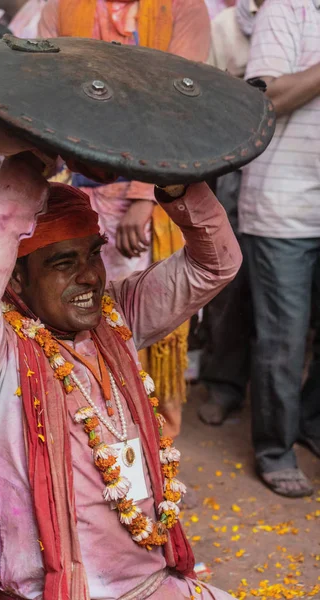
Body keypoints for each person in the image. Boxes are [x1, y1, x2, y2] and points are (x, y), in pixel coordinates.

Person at [0, 114, 242, 599]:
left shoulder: (116, 317)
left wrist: (172, 180)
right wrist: (34, 154)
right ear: (16, 281)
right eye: (62, 263)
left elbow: (216, 263)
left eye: (92, 255)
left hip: (152, 579)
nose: (89, 278)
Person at [39, 0, 211, 438]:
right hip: (69, 191)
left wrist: (142, 196)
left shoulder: (183, 6)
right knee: (67, 318)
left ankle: (158, 447)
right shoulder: (62, 4)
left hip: (150, 195)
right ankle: (87, 446)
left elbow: (181, 101)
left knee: (150, 320)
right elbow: (42, 86)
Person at [239, 0, 320, 497]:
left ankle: (311, 422)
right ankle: (275, 448)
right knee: (283, 340)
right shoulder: (288, 7)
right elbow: (264, 98)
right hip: (284, 207)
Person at [198, 0, 264, 426]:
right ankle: (223, 384)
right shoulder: (223, 28)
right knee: (230, 280)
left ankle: (278, 396)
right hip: (236, 171)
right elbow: (204, 103)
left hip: (297, 174)